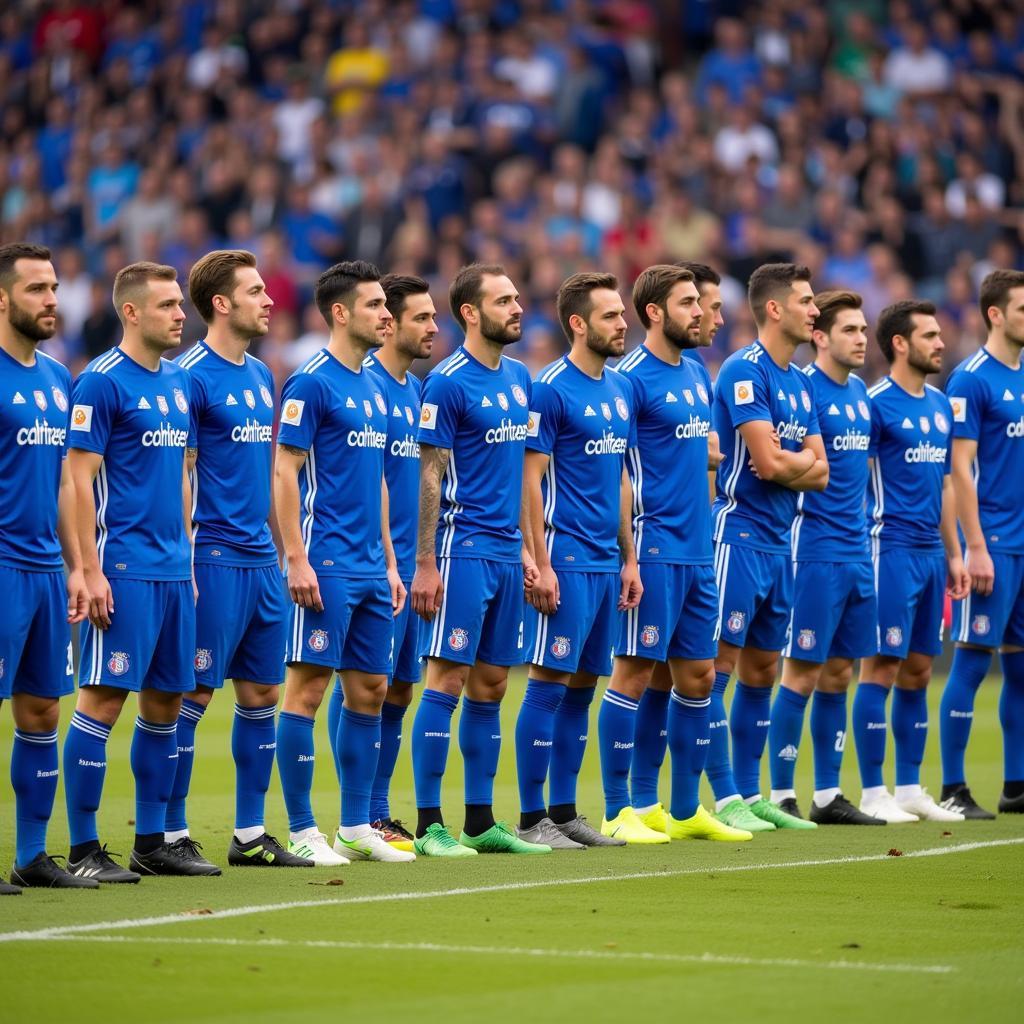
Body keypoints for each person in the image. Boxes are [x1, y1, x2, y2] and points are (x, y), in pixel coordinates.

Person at [64, 261, 213, 880]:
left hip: (175, 570)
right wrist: (89, 569)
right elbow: (75, 479)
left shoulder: (179, 382)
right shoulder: (101, 382)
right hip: (122, 569)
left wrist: (186, 549)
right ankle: (82, 848)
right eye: (168, 305)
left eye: (181, 304)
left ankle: (152, 842)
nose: (182, 314)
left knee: (165, 702)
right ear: (131, 312)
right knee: (102, 700)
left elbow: (181, 473)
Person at [600, 264, 752, 843]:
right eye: (689, 302)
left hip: (697, 548)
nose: (703, 311)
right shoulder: (629, 379)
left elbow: (704, 450)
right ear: (655, 312)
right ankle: (623, 810)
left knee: (697, 678)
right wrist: (628, 553)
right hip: (654, 545)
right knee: (635, 672)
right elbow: (613, 467)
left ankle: (686, 810)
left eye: (702, 301)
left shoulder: (694, 369)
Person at [173, 250, 310, 868]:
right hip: (212, 556)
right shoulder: (190, 376)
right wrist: (183, 555)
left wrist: (286, 553)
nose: (270, 299)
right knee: (192, 693)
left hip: (261, 561)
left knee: (261, 694)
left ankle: (250, 836)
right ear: (221, 304)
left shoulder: (259, 374)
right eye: (256, 291)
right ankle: (169, 835)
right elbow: (181, 470)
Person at [409, 263, 550, 857]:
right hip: (460, 548)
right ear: (470, 313)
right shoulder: (446, 382)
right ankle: (427, 824)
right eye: (504, 300)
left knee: (492, 683)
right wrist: (423, 561)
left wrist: (529, 548)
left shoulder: (521, 378)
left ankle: (480, 820)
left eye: (518, 298)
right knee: (447, 678)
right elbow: (429, 474)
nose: (518, 308)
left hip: (504, 553)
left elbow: (522, 476)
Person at [274, 260, 413, 866]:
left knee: (372, 689)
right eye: (376, 305)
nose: (387, 315)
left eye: (388, 306)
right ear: (339, 312)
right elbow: (284, 471)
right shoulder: (310, 383)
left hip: (369, 567)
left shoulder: (377, 387)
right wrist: (296, 558)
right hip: (324, 562)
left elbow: (380, 484)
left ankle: (356, 825)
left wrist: (387, 562)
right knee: (306, 691)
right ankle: (304, 829)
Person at [513, 271, 640, 849]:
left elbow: (619, 481)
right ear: (578, 324)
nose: (623, 323)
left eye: (622, 313)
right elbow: (529, 479)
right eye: (611, 316)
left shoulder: (618, 389)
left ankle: (565, 813)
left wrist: (629, 558)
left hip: (605, 562)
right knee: (547, 681)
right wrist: (539, 560)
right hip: (563, 556)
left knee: (585, 684)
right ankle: (531, 817)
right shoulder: (551, 388)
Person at [708, 263, 828, 833]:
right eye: (806, 301)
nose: (815, 311)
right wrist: (794, 462)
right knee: (717, 669)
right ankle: (724, 796)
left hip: (783, 543)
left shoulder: (802, 381)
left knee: (763, 670)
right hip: (739, 536)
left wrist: (791, 464)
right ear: (775, 308)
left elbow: (821, 472)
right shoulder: (742, 370)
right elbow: (766, 462)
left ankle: (752, 794)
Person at [326, 273, 436, 851]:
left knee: (396, 691)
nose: (430, 328)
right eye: (420, 317)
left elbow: (415, 480)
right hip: (363, 562)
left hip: (404, 566)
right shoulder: (357, 385)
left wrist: (422, 556)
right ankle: (361, 817)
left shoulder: (412, 390)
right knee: (357, 688)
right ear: (387, 321)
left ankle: (375, 813)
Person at [767, 290, 882, 825]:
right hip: (812, 551)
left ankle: (828, 794)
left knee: (840, 674)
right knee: (802, 674)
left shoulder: (861, 393)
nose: (862, 339)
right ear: (820, 337)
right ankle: (782, 793)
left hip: (858, 553)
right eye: (851, 330)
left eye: (864, 330)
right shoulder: (802, 390)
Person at [852, 300, 970, 823]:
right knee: (881, 666)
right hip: (889, 550)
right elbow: (853, 479)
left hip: (930, 555)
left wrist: (955, 553)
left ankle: (908, 788)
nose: (941, 343)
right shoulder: (875, 403)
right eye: (930, 335)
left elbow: (946, 486)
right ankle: (873, 791)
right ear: (900, 343)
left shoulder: (942, 405)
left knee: (920, 670)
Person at [0, 242, 92, 892]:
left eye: (54, 287)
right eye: (36, 288)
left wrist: (80, 566)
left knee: (41, 712)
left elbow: (66, 484)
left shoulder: (59, 379)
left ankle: (32, 855)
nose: (51, 299)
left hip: (44, 570)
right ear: (3, 299)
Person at [940, 269, 1024, 816]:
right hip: (991, 541)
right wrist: (975, 545)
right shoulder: (971, 379)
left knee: (1020, 669)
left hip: (1023, 543)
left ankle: (1016, 786)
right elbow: (960, 468)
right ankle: (952, 788)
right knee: (971, 660)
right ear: (995, 313)